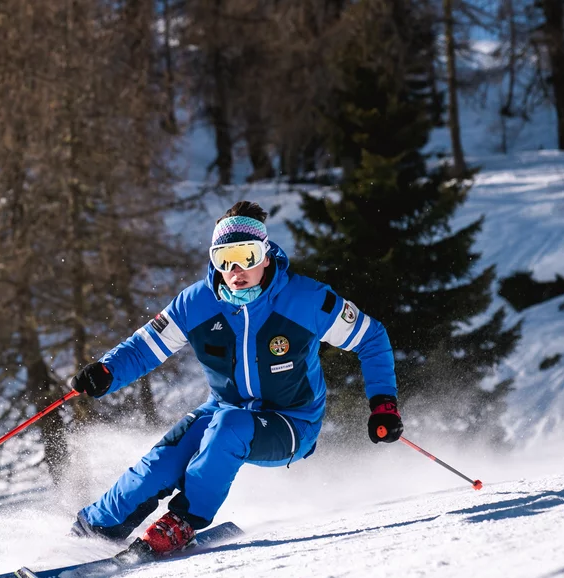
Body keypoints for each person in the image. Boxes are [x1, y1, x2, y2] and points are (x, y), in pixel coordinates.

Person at [68, 201, 401, 556]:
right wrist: (106, 371)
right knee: (160, 465)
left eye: (246, 255)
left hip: (292, 422)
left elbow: (371, 337)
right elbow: (144, 348)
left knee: (229, 427)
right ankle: (90, 532)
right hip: (223, 410)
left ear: (266, 255)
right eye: (224, 258)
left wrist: (383, 405)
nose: (236, 269)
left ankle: (183, 522)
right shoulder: (196, 303)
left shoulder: (306, 300)